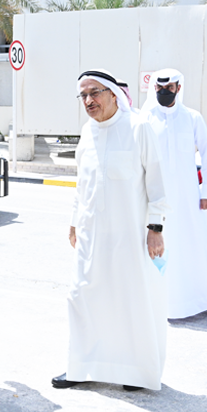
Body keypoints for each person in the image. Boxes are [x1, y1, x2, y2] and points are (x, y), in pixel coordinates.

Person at [52, 70, 169, 393]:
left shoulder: (139, 127)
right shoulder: (87, 133)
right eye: (83, 95)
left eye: (95, 92)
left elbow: (157, 184)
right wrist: (74, 222)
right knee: (82, 297)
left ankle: (135, 372)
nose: (89, 100)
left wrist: (156, 228)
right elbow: (82, 184)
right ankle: (82, 366)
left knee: (130, 300)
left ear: (114, 94)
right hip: (91, 237)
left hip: (130, 236)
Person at [141, 68, 207, 318]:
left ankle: (203, 299)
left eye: (170, 87)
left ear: (178, 88)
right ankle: (161, 302)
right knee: (158, 250)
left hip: (188, 198)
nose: (165, 92)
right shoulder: (145, 118)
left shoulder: (193, 118)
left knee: (195, 247)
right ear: (154, 88)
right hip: (154, 198)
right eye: (160, 88)